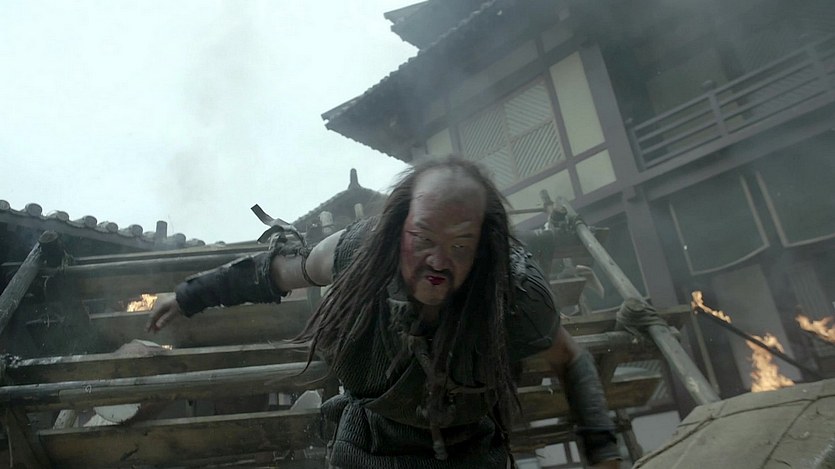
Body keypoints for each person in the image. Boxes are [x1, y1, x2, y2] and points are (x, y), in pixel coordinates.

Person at [147, 157, 621, 468]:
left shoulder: (511, 294)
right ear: (400, 229)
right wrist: (189, 296)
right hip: (368, 451)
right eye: (424, 239)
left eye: (460, 245)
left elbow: (571, 359)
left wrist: (603, 452)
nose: (438, 262)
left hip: (471, 456)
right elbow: (279, 271)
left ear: (481, 247)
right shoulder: (357, 252)